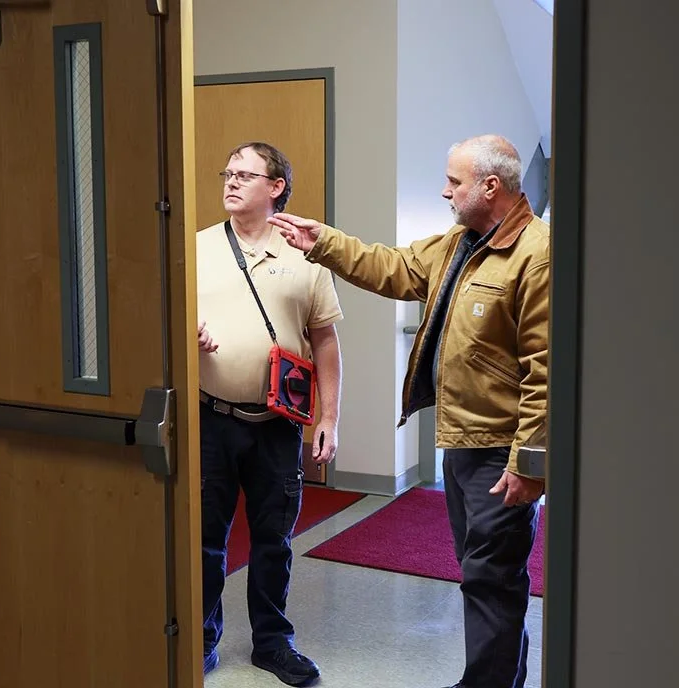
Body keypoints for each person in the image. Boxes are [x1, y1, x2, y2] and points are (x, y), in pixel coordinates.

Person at [268, 134, 548, 688]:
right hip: (464, 441)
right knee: (484, 576)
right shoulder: (460, 242)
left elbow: (547, 370)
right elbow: (392, 267)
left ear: (490, 186)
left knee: (492, 578)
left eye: (454, 181)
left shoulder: (538, 254)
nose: (445, 191)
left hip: (501, 451)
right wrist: (322, 241)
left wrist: (530, 465)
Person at [197, 141, 343, 687]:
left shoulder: (305, 253)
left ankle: (272, 643)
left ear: (275, 187)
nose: (230, 182)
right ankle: (203, 638)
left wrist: (329, 416)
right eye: (226, 172)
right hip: (211, 418)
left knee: (273, 540)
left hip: (279, 425)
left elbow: (325, 341)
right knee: (206, 539)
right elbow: (162, 324)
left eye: (244, 175)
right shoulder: (197, 248)